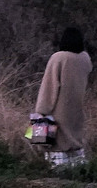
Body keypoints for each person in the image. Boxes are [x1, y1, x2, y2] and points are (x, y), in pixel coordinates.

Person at [35, 27, 93, 166]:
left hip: (58, 110)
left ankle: (57, 175)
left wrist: (41, 110)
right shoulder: (85, 59)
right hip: (77, 109)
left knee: (57, 145)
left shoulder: (58, 58)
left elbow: (49, 86)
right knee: (75, 142)